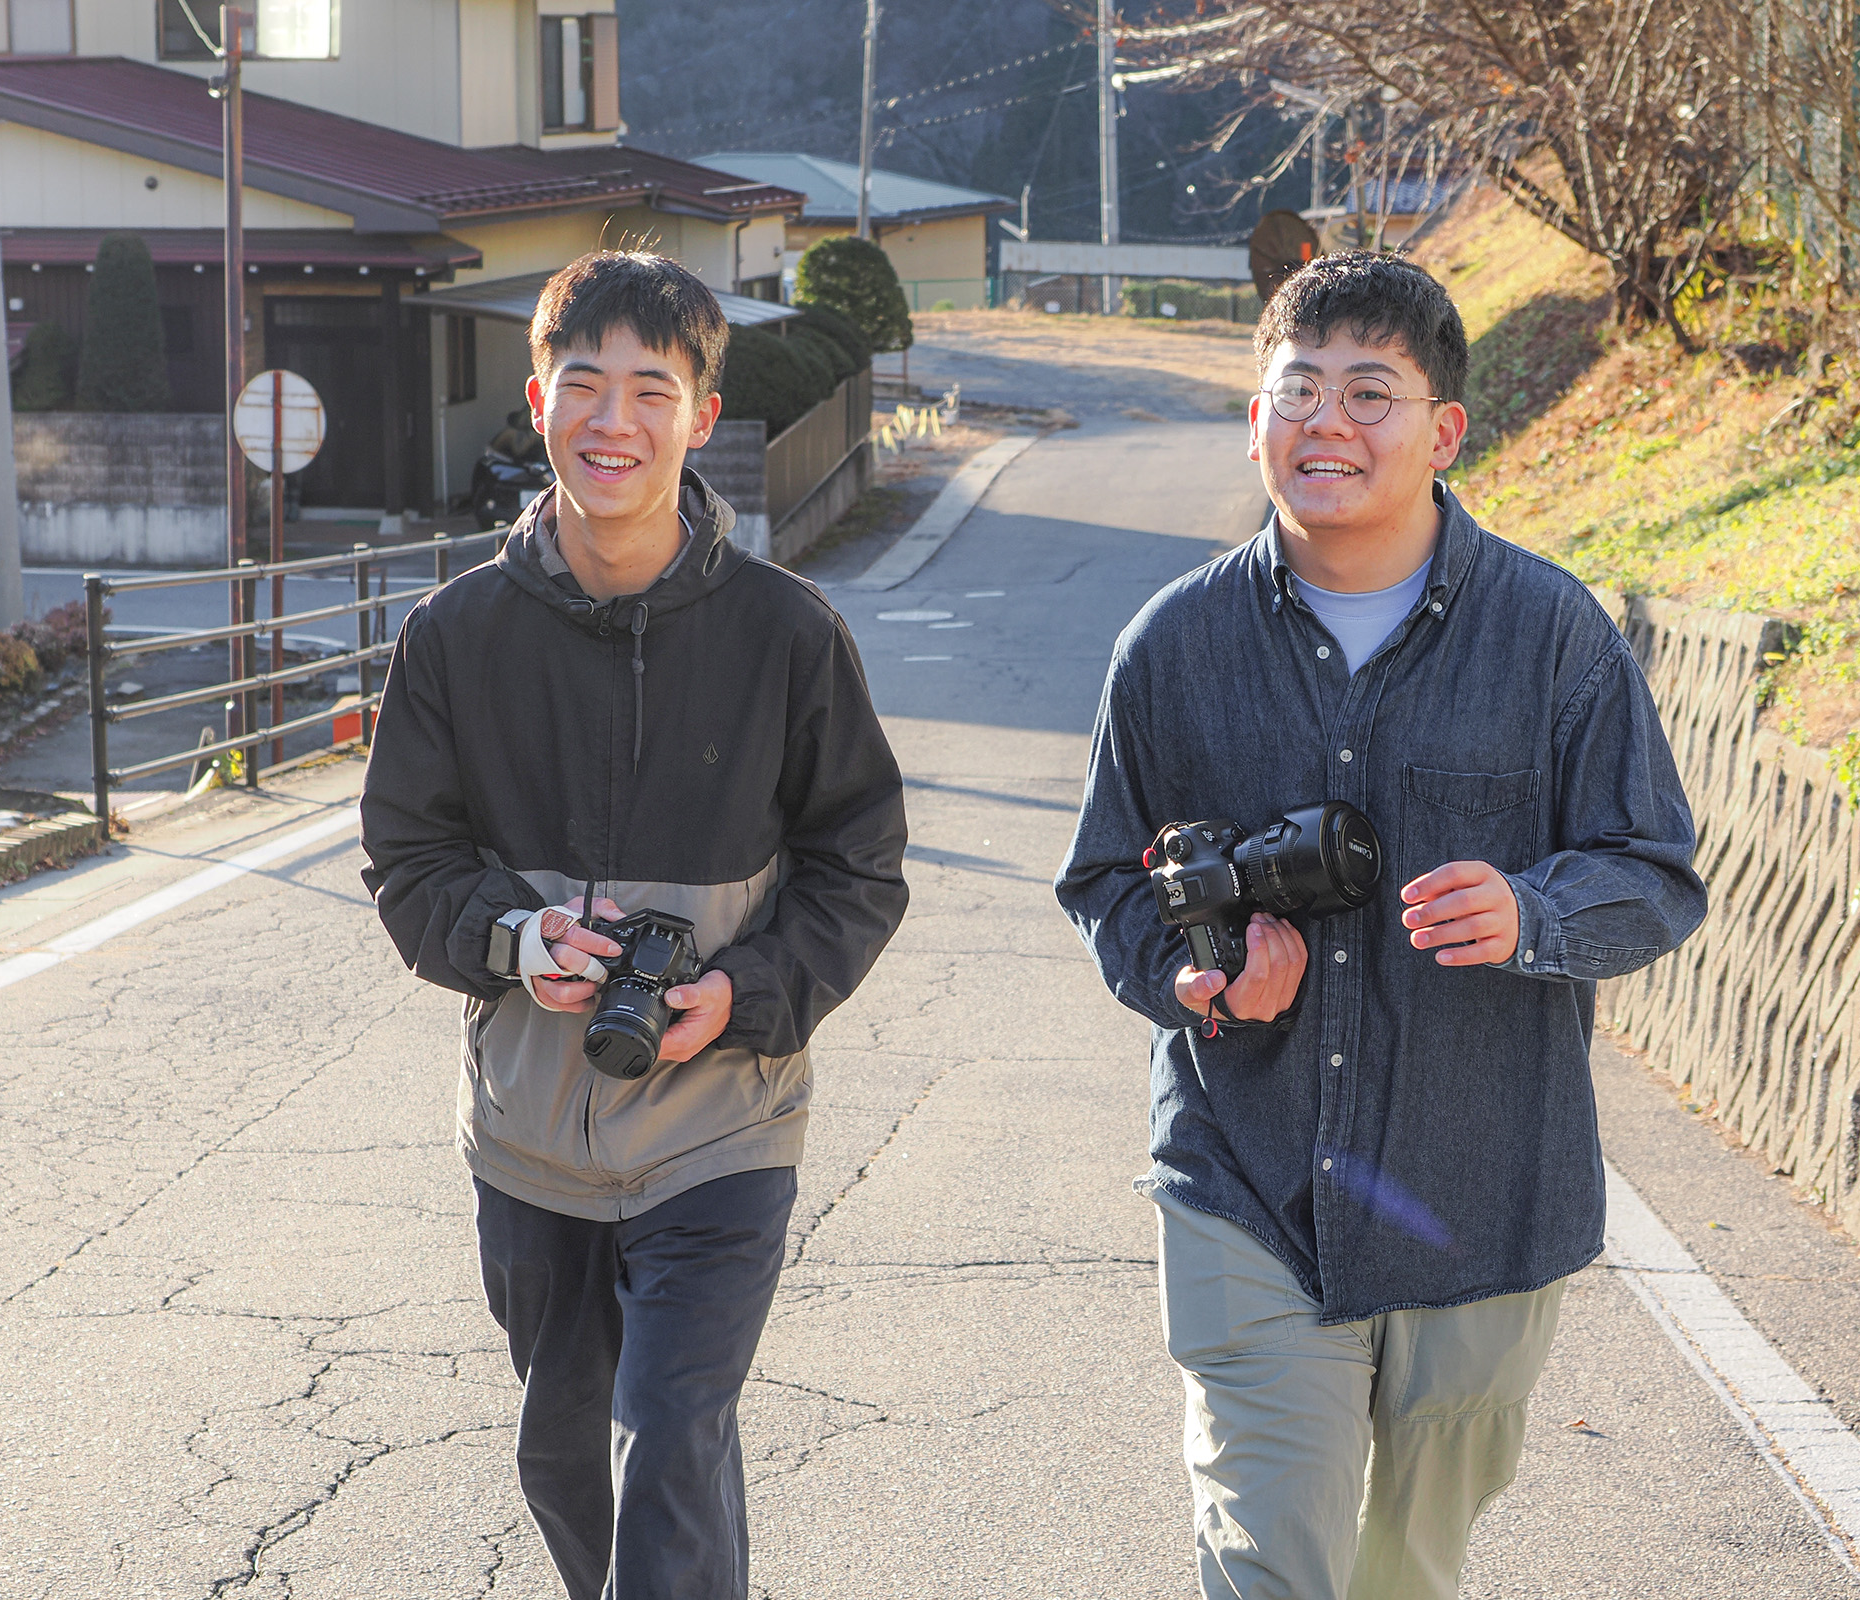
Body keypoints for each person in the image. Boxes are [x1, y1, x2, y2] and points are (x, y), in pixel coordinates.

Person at [1054, 251, 1706, 1600]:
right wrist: (1203, 981)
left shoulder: (1552, 637)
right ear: (1256, 418)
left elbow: (1654, 872)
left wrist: (1529, 912)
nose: (1327, 424)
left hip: (1478, 1186)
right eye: (1298, 390)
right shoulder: (1170, 648)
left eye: (1370, 393)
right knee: (1271, 1557)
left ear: (1443, 429)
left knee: (1408, 1569)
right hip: (1243, 1172)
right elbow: (1106, 884)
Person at [359, 250, 908, 1600]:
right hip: (533, 1138)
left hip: (723, 1125)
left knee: (669, 1440)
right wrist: (517, 943)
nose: (616, 421)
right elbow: (408, 862)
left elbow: (861, 866)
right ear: (538, 397)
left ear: (702, 414)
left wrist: (751, 993)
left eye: (651, 388)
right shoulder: (456, 636)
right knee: (564, 1464)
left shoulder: (788, 635)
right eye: (585, 385)